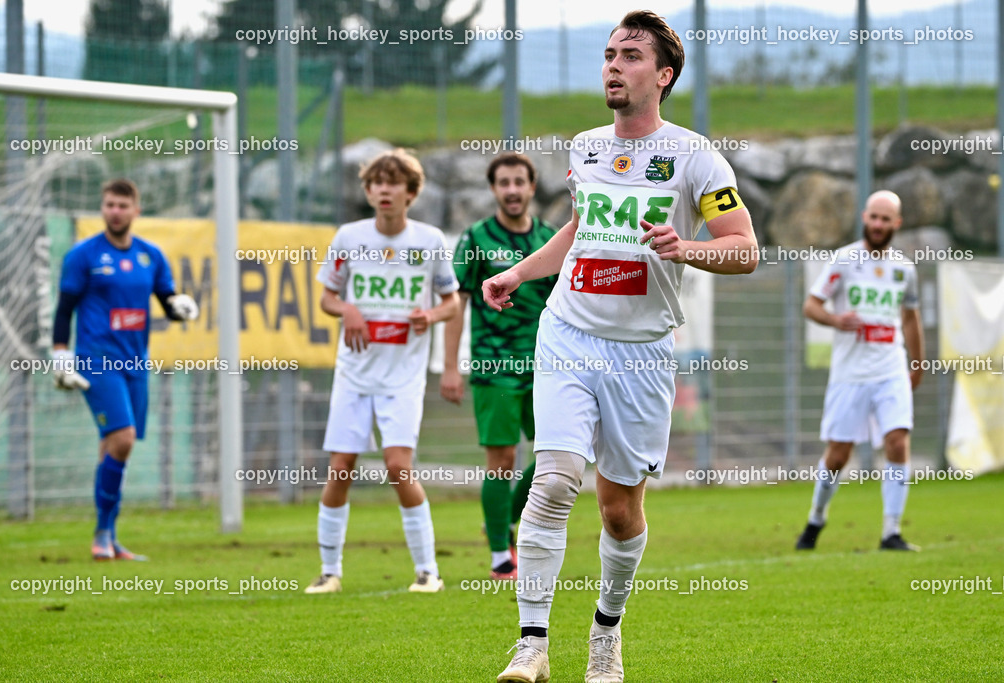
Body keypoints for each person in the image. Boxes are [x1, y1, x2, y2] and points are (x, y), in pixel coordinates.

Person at [484, 11, 757, 683]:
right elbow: (579, 230)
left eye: (629, 55)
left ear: (661, 75)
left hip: (640, 353)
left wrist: (683, 246)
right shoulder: (585, 147)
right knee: (551, 483)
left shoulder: (697, 157)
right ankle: (531, 646)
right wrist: (519, 272)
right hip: (568, 334)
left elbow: (744, 249)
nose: (612, 65)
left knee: (618, 508)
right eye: (608, 53)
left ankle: (606, 634)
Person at [306, 149, 460, 595]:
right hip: (355, 373)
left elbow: (451, 302)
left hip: (403, 376)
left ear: (411, 192)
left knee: (398, 467)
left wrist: (429, 317)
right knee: (340, 469)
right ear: (368, 191)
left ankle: (428, 571)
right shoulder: (349, 237)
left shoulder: (429, 241)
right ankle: (329, 571)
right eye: (376, 182)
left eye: (394, 182)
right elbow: (327, 298)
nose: (384, 189)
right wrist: (348, 309)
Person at [52, 178, 199, 561]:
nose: (115, 211)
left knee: (113, 446)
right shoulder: (83, 255)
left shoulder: (151, 256)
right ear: (103, 209)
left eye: (122, 205)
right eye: (109, 205)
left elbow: (166, 299)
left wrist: (180, 305)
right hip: (97, 359)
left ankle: (108, 537)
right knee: (123, 438)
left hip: (135, 362)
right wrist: (60, 353)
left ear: (136, 210)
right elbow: (65, 307)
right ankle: (102, 532)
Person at [440, 152, 557, 581]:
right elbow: (456, 305)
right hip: (493, 366)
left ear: (532, 186)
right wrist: (450, 367)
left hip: (545, 366)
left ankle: (504, 514)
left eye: (518, 182)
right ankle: (499, 556)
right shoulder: (475, 239)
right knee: (501, 460)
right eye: (503, 182)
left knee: (558, 453)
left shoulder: (550, 239)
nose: (511, 190)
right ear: (493, 189)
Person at [795, 190, 924, 553]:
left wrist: (917, 362)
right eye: (874, 217)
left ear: (897, 224)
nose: (879, 225)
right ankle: (816, 519)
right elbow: (811, 305)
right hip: (850, 374)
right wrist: (836, 320)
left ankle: (891, 531)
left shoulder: (904, 269)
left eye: (887, 219)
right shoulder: (844, 261)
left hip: (891, 368)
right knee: (838, 455)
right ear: (865, 217)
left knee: (898, 442)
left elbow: (911, 318)